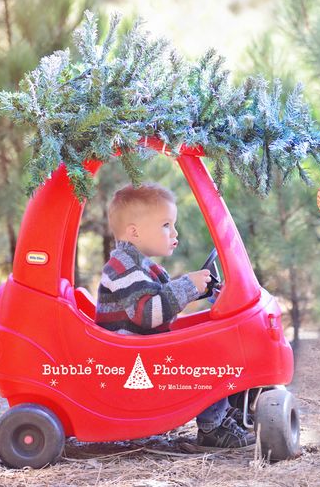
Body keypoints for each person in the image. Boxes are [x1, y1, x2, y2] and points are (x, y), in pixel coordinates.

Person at [95, 182, 255, 449]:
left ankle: (227, 410)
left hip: (145, 354)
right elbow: (148, 313)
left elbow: (166, 301)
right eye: (165, 225)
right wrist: (188, 285)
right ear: (134, 232)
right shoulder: (122, 268)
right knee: (207, 354)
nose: (174, 232)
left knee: (215, 338)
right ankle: (213, 427)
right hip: (131, 363)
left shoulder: (142, 266)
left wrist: (205, 290)